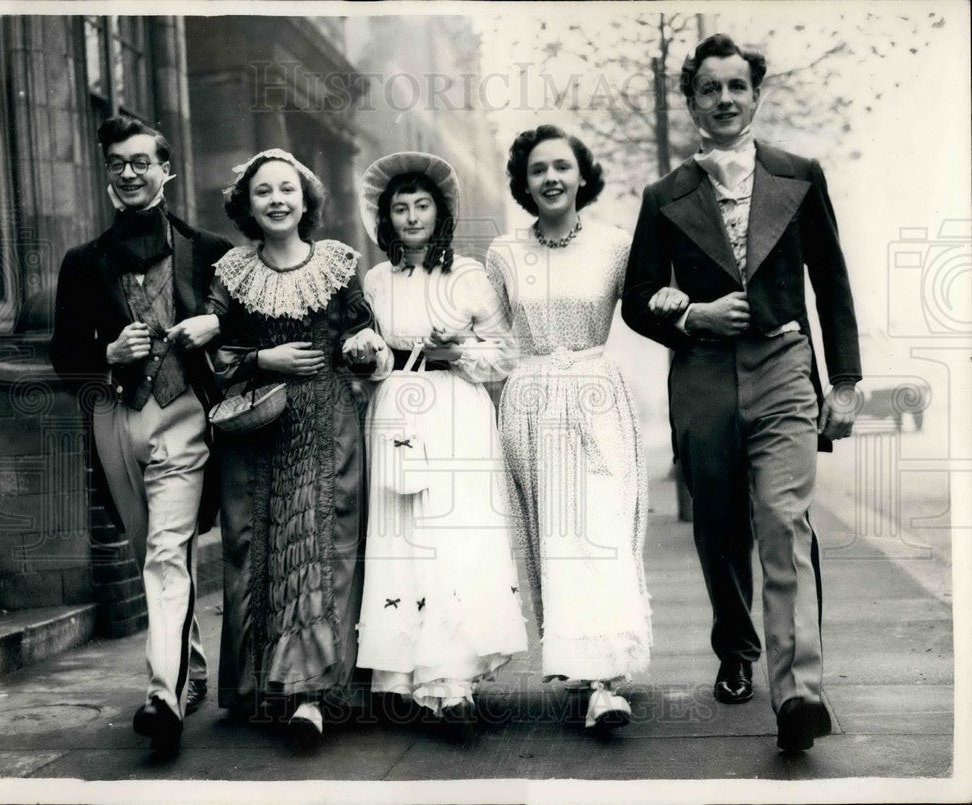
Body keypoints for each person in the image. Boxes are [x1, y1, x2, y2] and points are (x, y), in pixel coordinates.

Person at [621, 34, 862, 752]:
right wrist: (690, 314)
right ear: (692, 102)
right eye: (709, 90)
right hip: (702, 371)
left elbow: (833, 281)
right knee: (719, 524)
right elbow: (636, 298)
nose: (724, 100)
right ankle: (737, 648)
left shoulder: (800, 174)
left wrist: (844, 381)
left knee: (784, 519)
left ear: (756, 94)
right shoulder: (665, 196)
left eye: (736, 86)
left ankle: (798, 692)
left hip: (785, 362)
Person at [50, 115, 231, 756]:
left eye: (141, 162)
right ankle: (192, 668)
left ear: (166, 170)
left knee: (165, 552)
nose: (129, 173)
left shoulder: (208, 250)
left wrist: (210, 324)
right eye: (117, 165)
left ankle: (163, 697)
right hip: (115, 421)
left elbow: (242, 335)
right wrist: (107, 355)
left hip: (185, 416)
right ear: (107, 178)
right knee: (147, 550)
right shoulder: (82, 263)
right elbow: (63, 360)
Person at [206, 149, 384, 745]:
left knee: (319, 543)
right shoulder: (232, 273)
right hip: (260, 430)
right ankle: (265, 684)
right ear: (248, 206)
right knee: (263, 546)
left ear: (306, 200)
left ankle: (313, 693)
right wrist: (263, 358)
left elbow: (363, 328)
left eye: (288, 189)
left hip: (327, 421)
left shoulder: (337, 264)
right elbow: (214, 352)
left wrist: (360, 345)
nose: (277, 200)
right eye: (263, 192)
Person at [354, 152, 528, 734]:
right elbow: (373, 357)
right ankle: (400, 675)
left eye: (421, 206)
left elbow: (504, 353)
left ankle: (452, 680)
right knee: (402, 536)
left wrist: (455, 351)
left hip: (456, 409)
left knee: (453, 535)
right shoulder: (377, 281)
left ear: (440, 213)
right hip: (399, 412)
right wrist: (372, 356)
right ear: (386, 218)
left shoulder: (469, 275)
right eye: (399, 208)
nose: (411, 217)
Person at [487, 126, 652, 732]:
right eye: (538, 170)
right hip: (530, 401)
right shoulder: (503, 254)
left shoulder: (616, 245)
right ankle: (582, 671)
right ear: (524, 183)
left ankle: (609, 676)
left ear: (583, 175)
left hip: (596, 395)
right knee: (556, 538)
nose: (551, 178)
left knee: (602, 527)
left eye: (562, 166)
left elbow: (647, 307)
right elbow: (497, 341)